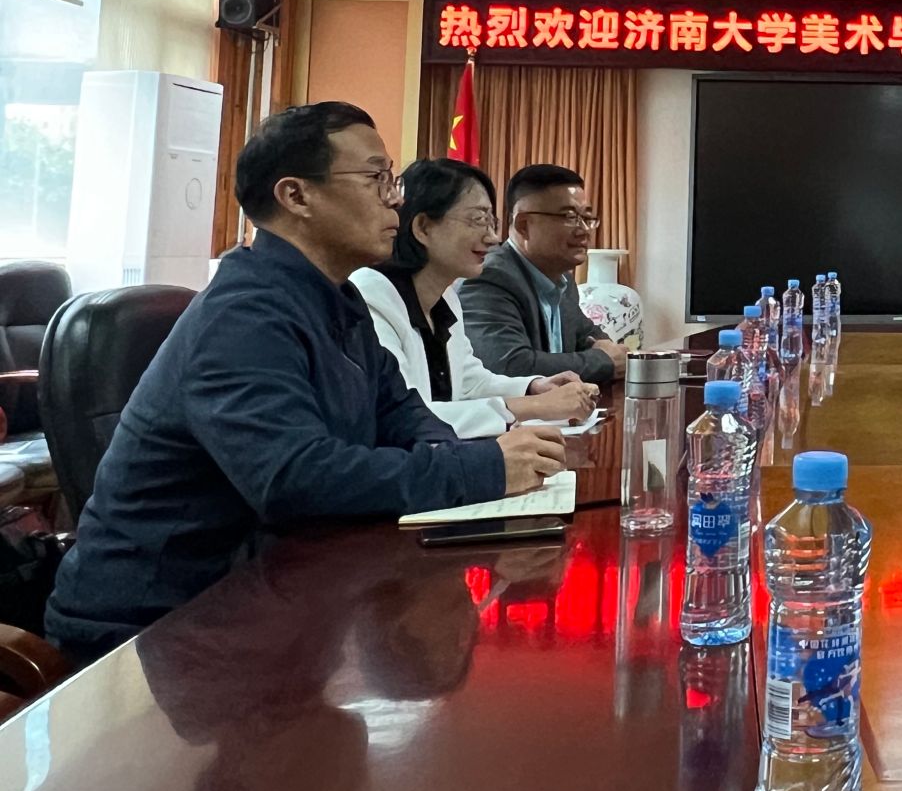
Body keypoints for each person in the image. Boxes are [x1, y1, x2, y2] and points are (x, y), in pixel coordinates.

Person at [43, 104, 564, 662]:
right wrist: (483, 468)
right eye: (376, 178)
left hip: (271, 602)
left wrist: (471, 463)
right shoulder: (244, 315)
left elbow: (404, 416)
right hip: (156, 631)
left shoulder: (337, 298)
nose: (395, 198)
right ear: (296, 196)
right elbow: (295, 479)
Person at [352, 158, 599, 439]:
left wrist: (533, 387)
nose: (493, 238)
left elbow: (469, 382)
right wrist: (535, 406)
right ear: (424, 227)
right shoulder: (372, 297)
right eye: (478, 220)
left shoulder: (444, 297)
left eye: (492, 221)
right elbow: (405, 418)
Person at [460, 163, 627, 386]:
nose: (584, 230)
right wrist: (604, 361)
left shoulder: (562, 279)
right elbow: (511, 366)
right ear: (523, 225)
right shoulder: (489, 278)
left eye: (587, 218)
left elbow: (593, 337)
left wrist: (605, 351)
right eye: (569, 217)